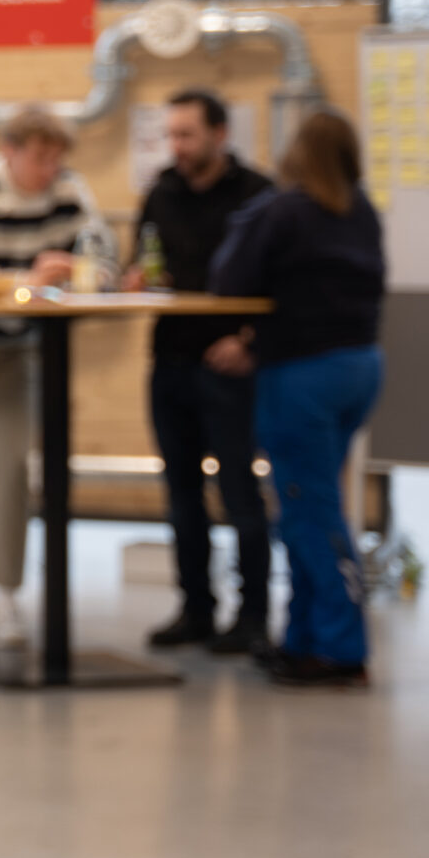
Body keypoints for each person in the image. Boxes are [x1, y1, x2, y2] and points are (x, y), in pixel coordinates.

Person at [208, 110, 386, 689]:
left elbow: (228, 279)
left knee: (310, 514)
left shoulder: (285, 211)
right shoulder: (361, 213)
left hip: (303, 377)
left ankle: (340, 648)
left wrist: (259, 211)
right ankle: (303, 640)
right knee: (311, 503)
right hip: (359, 368)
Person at [0, 103, 116, 648]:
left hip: (21, 344)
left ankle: (5, 590)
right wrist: (30, 279)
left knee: (15, 467)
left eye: (57, 156)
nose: (50, 167)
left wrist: (83, 274)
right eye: (40, 156)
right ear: (10, 151)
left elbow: (103, 258)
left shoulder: (70, 190)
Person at [123, 90, 274, 653]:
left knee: (239, 493)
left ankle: (254, 617)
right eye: (171, 135)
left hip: (230, 365)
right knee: (181, 496)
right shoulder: (161, 191)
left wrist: (248, 342)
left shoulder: (260, 196)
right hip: (171, 362)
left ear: (219, 134)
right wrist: (135, 277)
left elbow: (284, 283)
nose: (177, 146)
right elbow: (140, 259)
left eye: (186, 134)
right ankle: (196, 609)